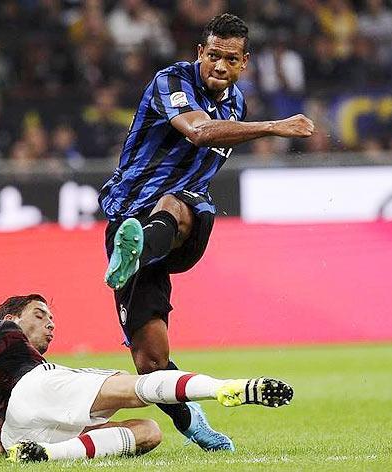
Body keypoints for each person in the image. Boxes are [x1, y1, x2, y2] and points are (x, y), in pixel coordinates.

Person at [99, 13, 314, 451]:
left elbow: (212, 139)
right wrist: (274, 126)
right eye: (212, 55)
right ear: (200, 52)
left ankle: (138, 250)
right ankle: (194, 422)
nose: (219, 65)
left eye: (229, 59)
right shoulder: (170, 81)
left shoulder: (235, 105)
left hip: (186, 218)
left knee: (176, 204)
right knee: (150, 361)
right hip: (127, 217)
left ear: (244, 63)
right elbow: (198, 132)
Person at [0, 294, 293, 462]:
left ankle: (47, 456)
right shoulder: (5, 329)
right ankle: (224, 389)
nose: (50, 323)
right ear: (12, 317)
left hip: (25, 433)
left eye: (52, 318)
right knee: (138, 386)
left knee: (147, 432)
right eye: (40, 314)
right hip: (38, 390)